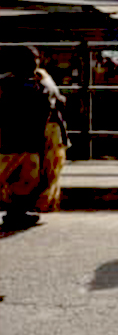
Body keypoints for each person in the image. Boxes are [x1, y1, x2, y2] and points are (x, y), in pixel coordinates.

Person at [0, 46, 63, 231]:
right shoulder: (26, 85)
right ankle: (15, 214)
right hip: (22, 140)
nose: (35, 64)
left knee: (25, 179)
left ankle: (17, 213)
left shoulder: (22, 82)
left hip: (22, 139)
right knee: (24, 178)